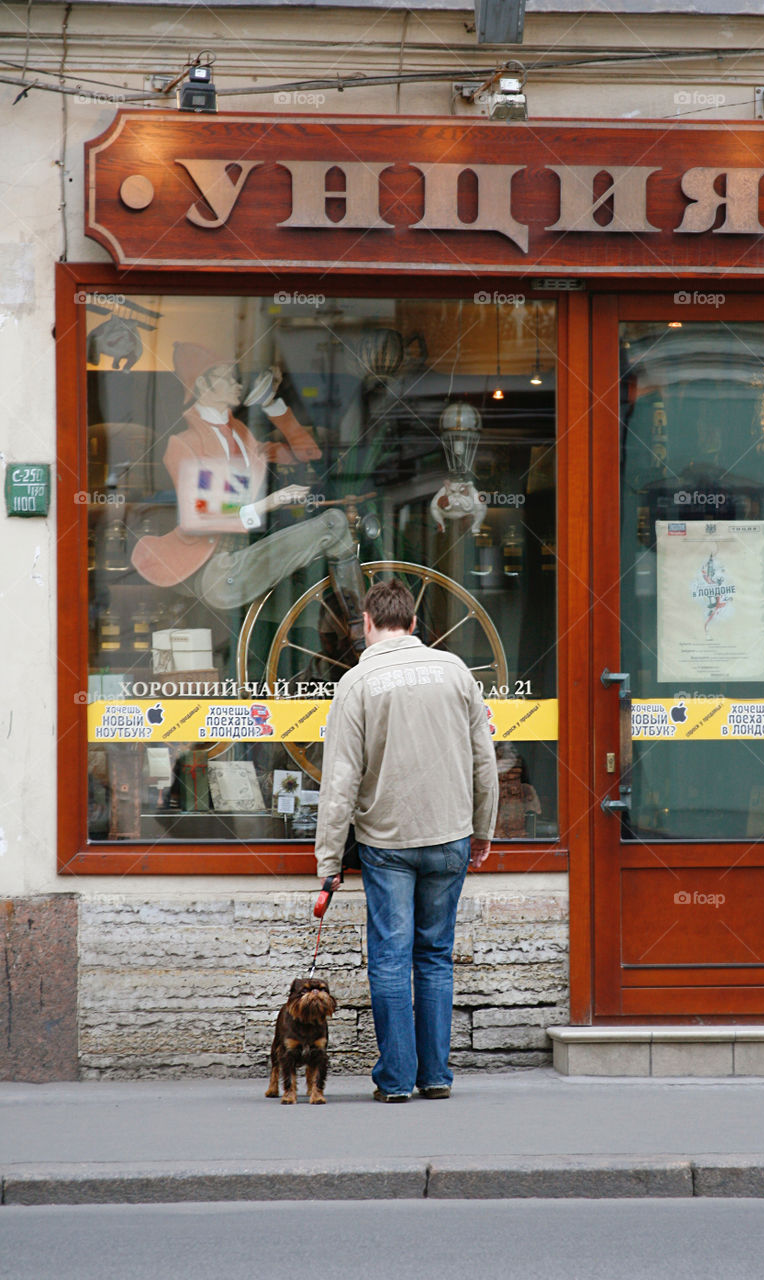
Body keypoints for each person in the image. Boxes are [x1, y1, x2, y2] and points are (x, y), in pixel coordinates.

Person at [315, 578, 499, 1102]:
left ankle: (396, 1080)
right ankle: (436, 1077)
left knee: (392, 957)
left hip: (388, 842)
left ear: (367, 624)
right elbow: (484, 760)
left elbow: (341, 781)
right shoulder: (455, 672)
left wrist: (328, 859)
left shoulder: (357, 682)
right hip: (449, 836)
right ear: (415, 625)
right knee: (435, 955)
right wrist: (483, 829)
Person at [131, 342, 364, 620]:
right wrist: (270, 502)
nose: (237, 384)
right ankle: (363, 625)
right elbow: (203, 517)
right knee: (334, 522)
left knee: (329, 534)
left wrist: (270, 403)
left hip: (245, 560)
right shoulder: (184, 445)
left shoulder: (242, 437)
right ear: (203, 387)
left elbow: (308, 452)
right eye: (227, 378)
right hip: (219, 573)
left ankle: (357, 624)